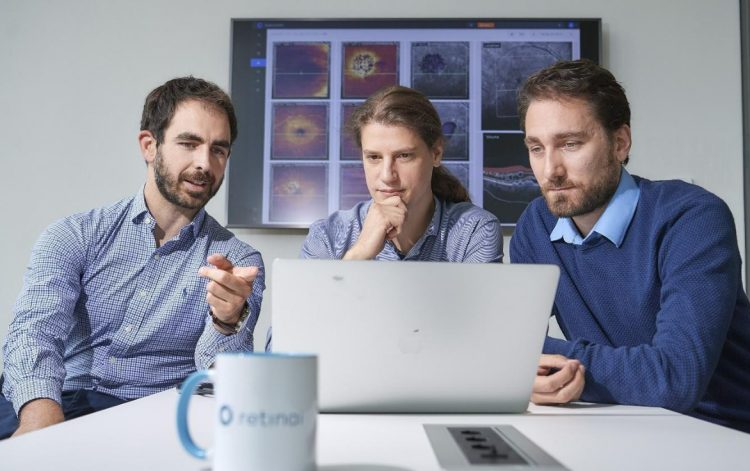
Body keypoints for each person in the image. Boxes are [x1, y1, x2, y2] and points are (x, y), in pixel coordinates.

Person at [511, 59, 750, 437]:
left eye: (570, 144)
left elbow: (676, 378)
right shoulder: (536, 226)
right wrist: (525, 368)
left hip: (734, 434)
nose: (551, 170)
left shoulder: (692, 217)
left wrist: (543, 361)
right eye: (536, 148)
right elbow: (511, 346)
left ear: (620, 142)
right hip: (630, 426)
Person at [0, 77, 265, 439]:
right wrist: (39, 417)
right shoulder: (75, 234)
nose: (205, 162)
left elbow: (219, 379)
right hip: (60, 398)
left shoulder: (237, 261)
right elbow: (34, 332)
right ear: (149, 145)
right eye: (189, 143)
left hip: (155, 417)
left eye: (219, 150)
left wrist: (226, 320)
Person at [301, 85, 503, 262]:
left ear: (436, 154)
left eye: (404, 155)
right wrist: (360, 254)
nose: (387, 175)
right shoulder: (326, 236)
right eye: (374, 157)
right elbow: (314, 307)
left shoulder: (474, 230)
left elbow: (476, 307)